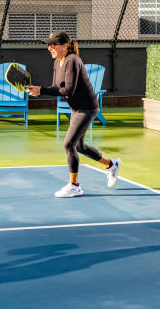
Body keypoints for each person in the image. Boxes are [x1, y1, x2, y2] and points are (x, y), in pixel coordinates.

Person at [27, 31, 120, 197]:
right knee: (79, 146)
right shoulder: (58, 63)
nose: (49, 48)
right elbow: (56, 87)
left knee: (68, 144)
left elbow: (68, 90)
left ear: (64, 46)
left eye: (53, 44)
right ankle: (111, 165)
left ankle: (74, 186)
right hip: (76, 108)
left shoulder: (73, 61)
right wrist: (39, 90)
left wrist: (42, 90)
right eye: (48, 45)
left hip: (88, 108)